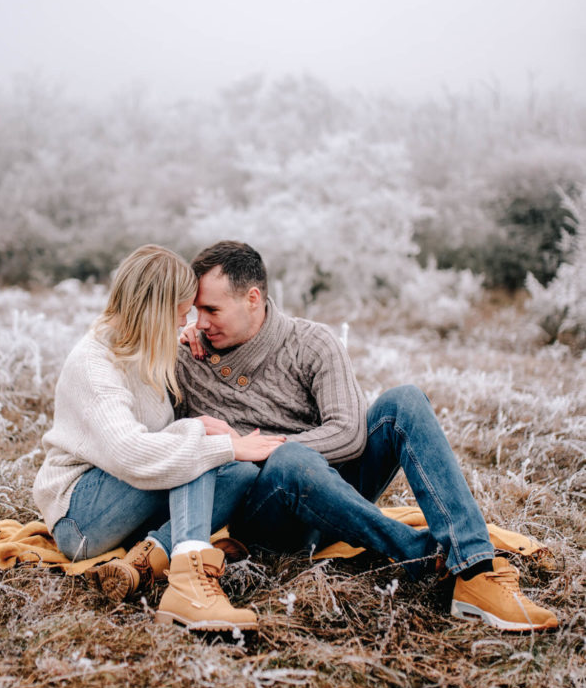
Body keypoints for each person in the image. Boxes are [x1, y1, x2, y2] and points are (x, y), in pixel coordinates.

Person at [177, 241, 559, 633]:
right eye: (195, 311)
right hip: (266, 521)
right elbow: (160, 442)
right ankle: (421, 555)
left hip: (338, 496)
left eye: (211, 310)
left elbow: (348, 434)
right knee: (291, 460)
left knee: (404, 401)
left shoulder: (312, 342)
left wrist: (259, 447)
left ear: (253, 299)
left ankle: (475, 570)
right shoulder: (186, 360)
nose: (200, 322)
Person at [33, 244, 284, 631]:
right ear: (156, 310)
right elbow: (132, 454)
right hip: (80, 518)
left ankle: (149, 557)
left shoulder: (147, 347)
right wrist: (219, 441)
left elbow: (163, 443)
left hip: (128, 499)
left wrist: (196, 342)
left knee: (240, 474)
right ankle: (190, 586)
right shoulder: (94, 364)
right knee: (198, 452)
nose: (189, 322)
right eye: (182, 313)